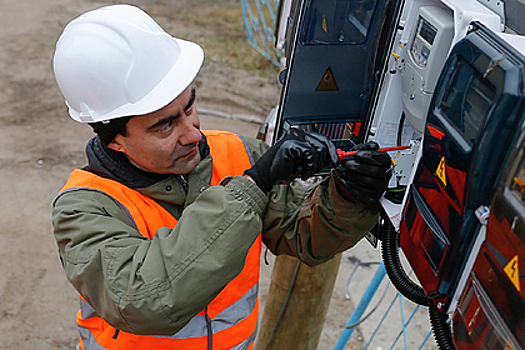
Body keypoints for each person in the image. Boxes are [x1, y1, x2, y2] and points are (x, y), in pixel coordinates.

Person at [51, 4, 392, 350]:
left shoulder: (234, 154)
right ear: (116, 139)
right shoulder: (83, 208)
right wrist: (252, 189)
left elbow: (305, 235)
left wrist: (349, 196)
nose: (193, 134)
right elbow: (145, 298)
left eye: (190, 108)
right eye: (166, 125)